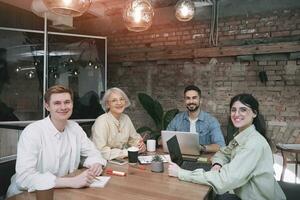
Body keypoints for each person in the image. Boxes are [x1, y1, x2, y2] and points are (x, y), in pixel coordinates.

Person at [168, 93, 286, 200]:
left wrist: (181, 173)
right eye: (233, 110)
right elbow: (223, 152)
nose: (236, 114)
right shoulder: (242, 135)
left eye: (243, 110)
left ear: (254, 113)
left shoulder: (253, 144)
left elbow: (224, 181)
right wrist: (218, 163)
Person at [6, 85, 107, 198]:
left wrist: (96, 163)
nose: (63, 107)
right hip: (26, 194)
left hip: (63, 192)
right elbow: (24, 178)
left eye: (67, 102)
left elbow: (93, 152)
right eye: (57, 103)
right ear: (47, 106)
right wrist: (72, 182)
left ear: (72, 104)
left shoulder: (75, 128)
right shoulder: (33, 132)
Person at [91, 87, 146, 160]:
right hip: (99, 163)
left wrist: (140, 146)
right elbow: (102, 152)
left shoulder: (126, 118)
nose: (119, 103)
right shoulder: (101, 121)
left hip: (119, 161)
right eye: (114, 100)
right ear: (107, 104)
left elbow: (134, 139)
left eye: (121, 99)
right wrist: (127, 152)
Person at [167, 85, 225, 153]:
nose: (191, 101)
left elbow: (221, 146)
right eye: (188, 98)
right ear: (185, 101)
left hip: (203, 160)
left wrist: (201, 148)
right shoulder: (177, 119)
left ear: (200, 100)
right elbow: (165, 139)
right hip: (181, 158)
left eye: (194, 98)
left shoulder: (211, 121)